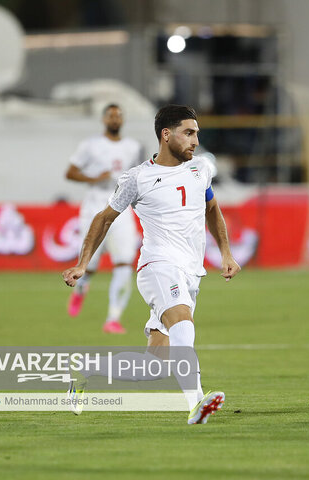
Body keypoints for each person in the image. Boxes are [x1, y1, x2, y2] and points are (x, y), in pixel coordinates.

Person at [63, 104, 241, 424]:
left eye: (197, 133)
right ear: (166, 134)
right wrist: (82, 263)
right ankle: (196, 404)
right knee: (183, 323)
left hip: (190, 270)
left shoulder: (200, 169)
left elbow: (211, 209)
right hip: (158, 266)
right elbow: (104, 219)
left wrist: (226, 253)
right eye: (189, 133)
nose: (195, 140)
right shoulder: (137, 178)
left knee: (153, 367)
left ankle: (83, 373)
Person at [65, 104, 142, 334]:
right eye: (111, 115)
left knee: (124, 262)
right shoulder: (90, 145)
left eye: (119, 115)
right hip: (95, 205)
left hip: (122, 206)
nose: (115, 119)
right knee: (90, 264)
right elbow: (70, 172)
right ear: (104, 119)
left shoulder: (134, 147)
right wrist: (93, 177)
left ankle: (113, 318)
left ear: (123, 119)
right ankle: (80, 290)